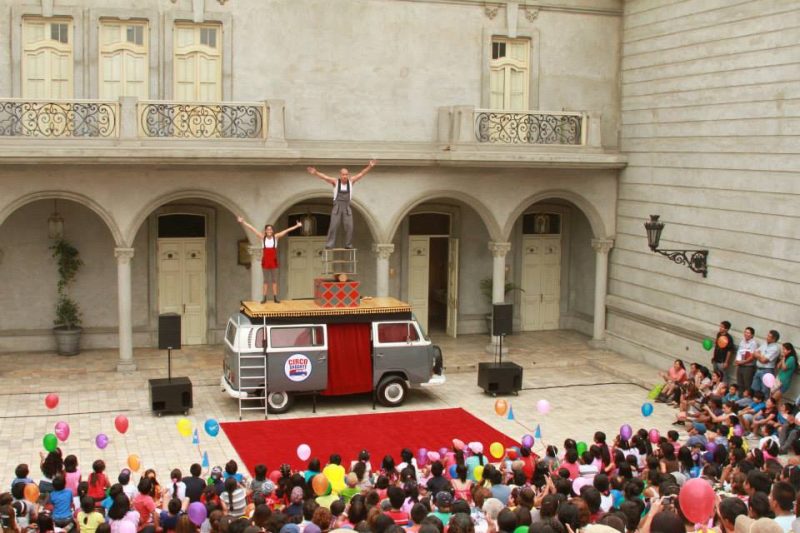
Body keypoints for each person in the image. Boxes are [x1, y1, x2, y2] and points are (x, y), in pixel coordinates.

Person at [306, 160, 377, 249]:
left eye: (346, 174)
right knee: (333, 226)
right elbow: (325, 177)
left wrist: (370, 166)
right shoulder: (336, 182)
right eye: (343, 174)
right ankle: (330, 244)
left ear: (348, 175)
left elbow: (361, 174)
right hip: (337, 207)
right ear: (340, 175)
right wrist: (315, 172)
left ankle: (348, 244)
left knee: (349, 226)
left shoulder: (351, 181)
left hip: (347, 207)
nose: (345, 176)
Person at [237, 216, 302, 303]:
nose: (269, 231)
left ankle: (275, 297)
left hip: (273, 262)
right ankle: (264, 298)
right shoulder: (262, 237)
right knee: (265, 281)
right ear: (265, 231)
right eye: (268, 229)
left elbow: (286, 231)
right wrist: (243, 222)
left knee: (274, 280)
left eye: (270, 229)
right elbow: (252, 229)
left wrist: (297, 226)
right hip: (265, 262)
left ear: (272, 230)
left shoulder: (276, 237)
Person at [752, 330, 781, 395]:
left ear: (774, 339)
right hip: (758, 369)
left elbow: (764, 360)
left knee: (764, 391)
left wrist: (758, 355)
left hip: (767, 371)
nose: (767, 337)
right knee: (754, 389)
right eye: (767, 335)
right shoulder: (764, 344)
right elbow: (754, 353)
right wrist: (760, 356)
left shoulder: (775, 348)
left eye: (769, 336)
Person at [735, 327, 759, 394]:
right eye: (745, 332)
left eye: (748, 333)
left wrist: (743, 362)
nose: (746, 334)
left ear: (752, 335)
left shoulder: (753, 343)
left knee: (747, 384)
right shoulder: (742, 341)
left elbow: (752, 356)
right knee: (740, 383)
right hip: (740, 365)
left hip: (748, 366)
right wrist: (737, 361)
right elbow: (739, 352)